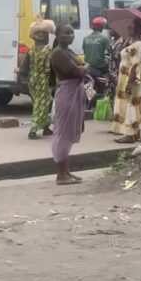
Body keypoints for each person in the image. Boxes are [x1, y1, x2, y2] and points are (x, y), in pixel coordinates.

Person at [50, 25, 90, 185]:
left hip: (75, 92)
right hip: (67, 94)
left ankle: (66, 171)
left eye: (72, 33)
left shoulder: (68, 51)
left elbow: (82, 66)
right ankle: (61, 175)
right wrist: (86, 66)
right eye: (66, 33)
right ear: (58, 36)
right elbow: (79, 70)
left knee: (71, 131)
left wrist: (84, 66)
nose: (70, 36)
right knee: (63, 134)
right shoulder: (58, 53)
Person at [111, 18, 141, 144]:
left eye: (131, 26)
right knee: (136, 105)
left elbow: (135, 65)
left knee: (131, 105)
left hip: (133, 79)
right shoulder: (134, 43)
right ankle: (136, 133)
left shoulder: (139, 45)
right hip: (128, 77)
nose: (128, 27)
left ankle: (130, 134)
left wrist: (129, 82)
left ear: (138, 29)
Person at [21, 18, 56, 139]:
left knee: (39, 103)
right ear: (45, 37)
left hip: (32, 81)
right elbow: (53, 67)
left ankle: (46, 128)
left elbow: (24, 68)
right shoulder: (49, 50)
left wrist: (22, 78)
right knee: (41, 105)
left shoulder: (31, 51)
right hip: (44, 81)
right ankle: (33, 130)